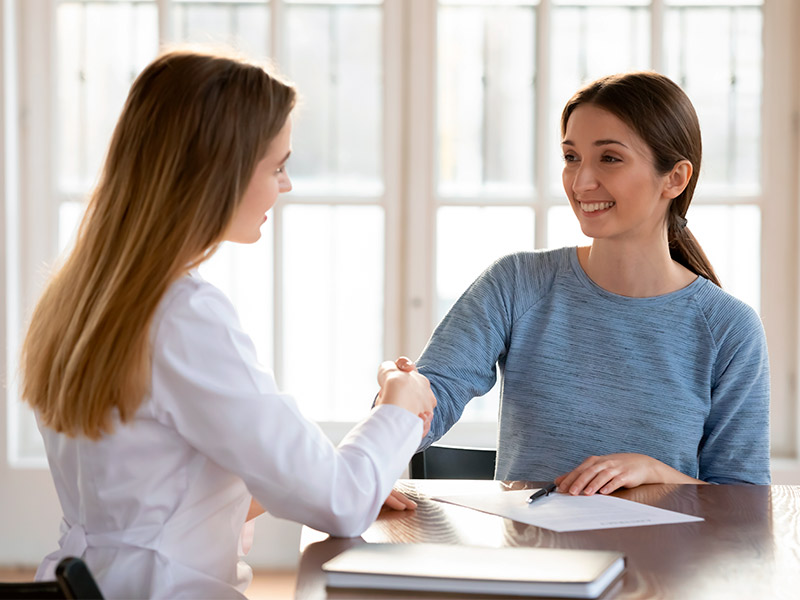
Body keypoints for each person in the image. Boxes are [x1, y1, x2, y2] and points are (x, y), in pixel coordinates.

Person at [21, 48, 435, 599]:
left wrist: (354, 471)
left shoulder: (82, 294)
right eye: (278, 166)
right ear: (219, 172)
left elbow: (157, 486)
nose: (285, 186)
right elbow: (341, 504)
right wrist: (398, 405)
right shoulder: (183, 313)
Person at [409, 71, 770, 496]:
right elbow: (435, 396)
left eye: (609, 159)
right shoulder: (516, 284)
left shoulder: (729, 329)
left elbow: (745, 501)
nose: (580, 183)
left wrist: (657, 472)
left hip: (665, 560)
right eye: (571, 157)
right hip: (534, 558)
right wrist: (392, 416)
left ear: (674, 178)